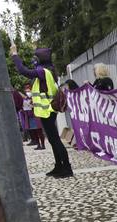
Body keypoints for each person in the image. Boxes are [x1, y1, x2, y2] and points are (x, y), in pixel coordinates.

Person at [10, 44, 73, 178]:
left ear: (40, 59)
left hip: (48, 110)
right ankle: (59, 166)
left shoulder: (44, 71)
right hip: (48, 110)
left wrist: (15, 55)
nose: (34, 60)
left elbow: (23, 71)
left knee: (55, 139)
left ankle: (66, 168)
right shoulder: (48, 70)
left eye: (35, 58)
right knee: (52, 139)